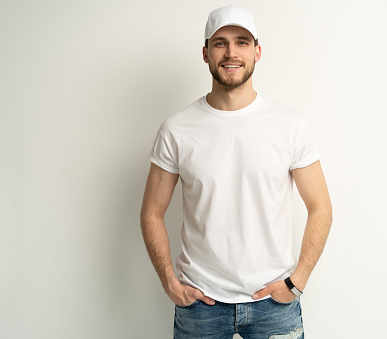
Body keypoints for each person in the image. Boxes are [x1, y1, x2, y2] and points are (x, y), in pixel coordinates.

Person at [140, 5, 332, 338]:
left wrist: (296, 282)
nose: (231, 52)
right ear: (205, 53)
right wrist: (170, 283)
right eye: (220, 43)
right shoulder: (177, 129)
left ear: (257, 51)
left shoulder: (290, 126)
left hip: (274, 305)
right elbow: (152, 212)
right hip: (201, 304)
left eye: (242, 42)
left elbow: (321, 208)